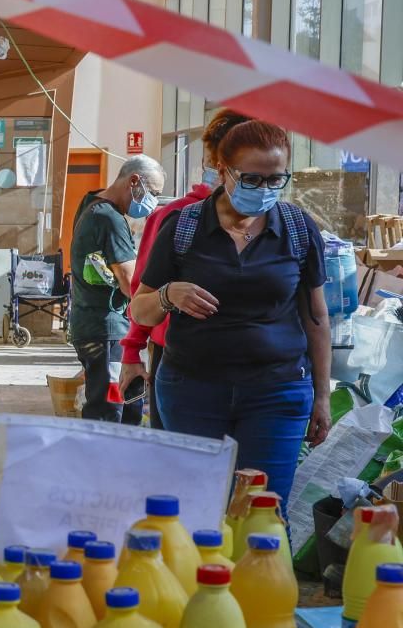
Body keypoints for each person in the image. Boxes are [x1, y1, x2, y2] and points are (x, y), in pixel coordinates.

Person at [131, 119, 332, 505]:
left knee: (263, 514)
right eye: (253, 179)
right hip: (191, 391)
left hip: (277, 392)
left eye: (277, 180)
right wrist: (168, 295)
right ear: (223, 171)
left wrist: (321, 395)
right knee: (197, 510)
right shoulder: (183, 226)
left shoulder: (298, 229)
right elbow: (141, 310)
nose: (266, 190)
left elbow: (316, 319)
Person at [119, 112, 250, 430]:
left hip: (254, 368)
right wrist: (132, 351)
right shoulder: (177, 219)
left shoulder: (281, 225)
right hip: (180, 359)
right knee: (180, 460)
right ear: (218, 164)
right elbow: (144, 292)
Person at [67, 155, 165, 424]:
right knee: (112, 406)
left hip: (91, 325)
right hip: (108, 330)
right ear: (134, 181)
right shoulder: (110, 219)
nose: (153, 201)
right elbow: (130, 282)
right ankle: (105, 462)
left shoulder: (90, 204)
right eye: (153, 193)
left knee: (117, 401)